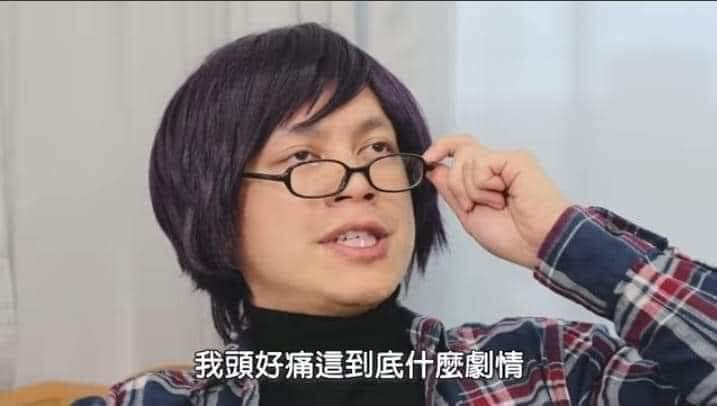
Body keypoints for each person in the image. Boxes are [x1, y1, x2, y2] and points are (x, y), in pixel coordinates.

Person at [74, 22, 716, 405]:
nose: (359, 184)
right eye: (304, 156)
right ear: (215, 202)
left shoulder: (545, 370)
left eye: (378, 150)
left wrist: (561, 238)